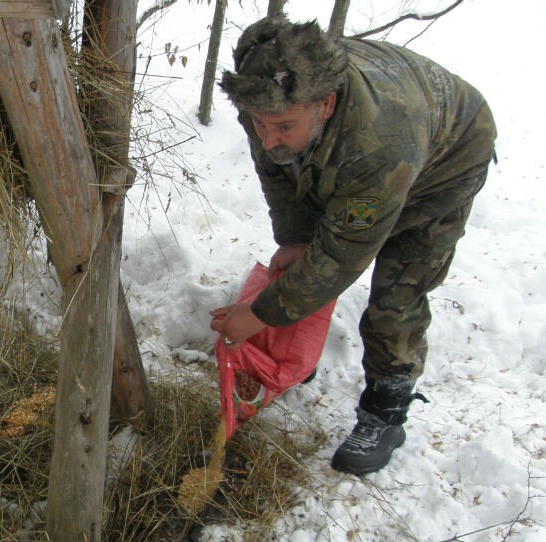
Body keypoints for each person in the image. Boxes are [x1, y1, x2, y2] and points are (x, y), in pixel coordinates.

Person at [209, 15, 496, 475]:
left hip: (447, 162)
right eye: (258, 124)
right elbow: (277, 170)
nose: (267, 136)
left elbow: (342, 256)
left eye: (281, 125)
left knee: (396, 293)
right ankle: (295, 355)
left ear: (324, 104)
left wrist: (261, 312)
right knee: (311, 248)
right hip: (377, 145)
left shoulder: (379, 146)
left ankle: (386, 411)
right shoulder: (267, 95)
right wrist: (297, 238)